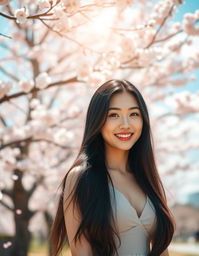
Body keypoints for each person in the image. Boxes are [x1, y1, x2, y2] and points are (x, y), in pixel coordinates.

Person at [50, 79, 175, 256]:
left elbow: (162, 250)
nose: (125, 124)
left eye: (134, 114)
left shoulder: (147, 178)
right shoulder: (81, 177)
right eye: (113, 115)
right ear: (98, 120)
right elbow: (82, 252)